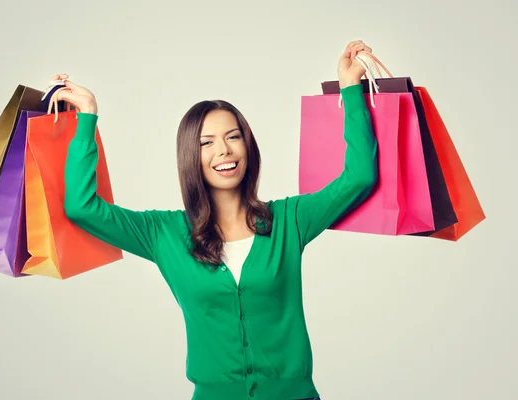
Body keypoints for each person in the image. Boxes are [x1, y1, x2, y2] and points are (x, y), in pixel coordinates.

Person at [50, 39, 378, 400]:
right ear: (191, 155)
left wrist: (349, 88)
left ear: (247, 147)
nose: (224, 150)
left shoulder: (289, 221)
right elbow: (81, 207)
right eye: (207, 143)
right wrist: (87, 117)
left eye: (233, 137)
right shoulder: (164, 234)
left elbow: (360, 177)